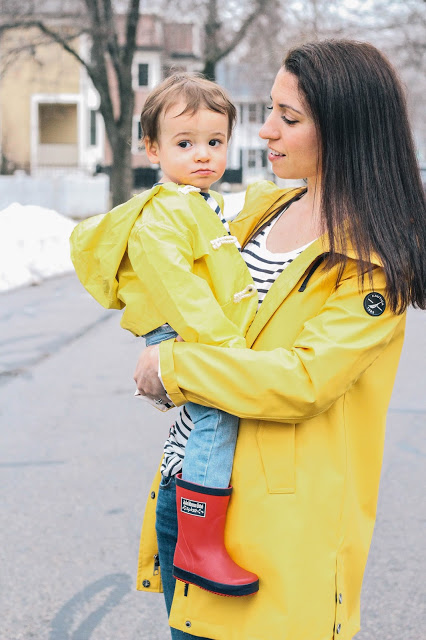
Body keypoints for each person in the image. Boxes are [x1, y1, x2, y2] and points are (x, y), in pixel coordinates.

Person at [133, 40, 426, 640]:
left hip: (277, 526)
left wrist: (173, 367)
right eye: (270, 111)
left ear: (344, 129)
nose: (264, 131)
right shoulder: (257, 212)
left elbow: (303, 380)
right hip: (189, 489)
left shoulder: (368, 260)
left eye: (288, 118)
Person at [70, 72, 260, 597]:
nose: (203, 155)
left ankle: (202, 534)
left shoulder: (201, 202)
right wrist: (226, 346)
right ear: (152, 148)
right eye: (184, 144)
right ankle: (200, 541)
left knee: (215, 416)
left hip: (198, 324)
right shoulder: (164, 212)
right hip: (184, 326)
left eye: (214, 142)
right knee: (218, 415)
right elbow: (181, 290)